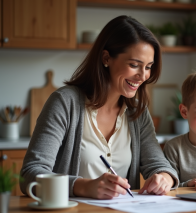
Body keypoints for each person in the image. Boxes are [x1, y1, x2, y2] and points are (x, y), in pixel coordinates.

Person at [20, 15, 179, 199]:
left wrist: (164, 178)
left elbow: (160, 165)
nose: (143, 76)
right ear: (106, 58)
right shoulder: (65, 102)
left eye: (148, 67)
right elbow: (29, 175)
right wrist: (84, 186)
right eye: (134, 65)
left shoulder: (137, 112)